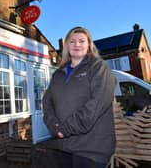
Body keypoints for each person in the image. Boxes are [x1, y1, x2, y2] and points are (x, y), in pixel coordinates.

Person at [42, 26, 116, 168]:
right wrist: (54, 126)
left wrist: (64, 129)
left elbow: (96, 104)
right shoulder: (58, 74)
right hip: (63, 147)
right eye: (72, 41)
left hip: (91, 149)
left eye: (82, 41)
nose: (77, 45)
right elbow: (47, 102)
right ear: (66, 46)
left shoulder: (99, 68)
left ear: (89, 45)